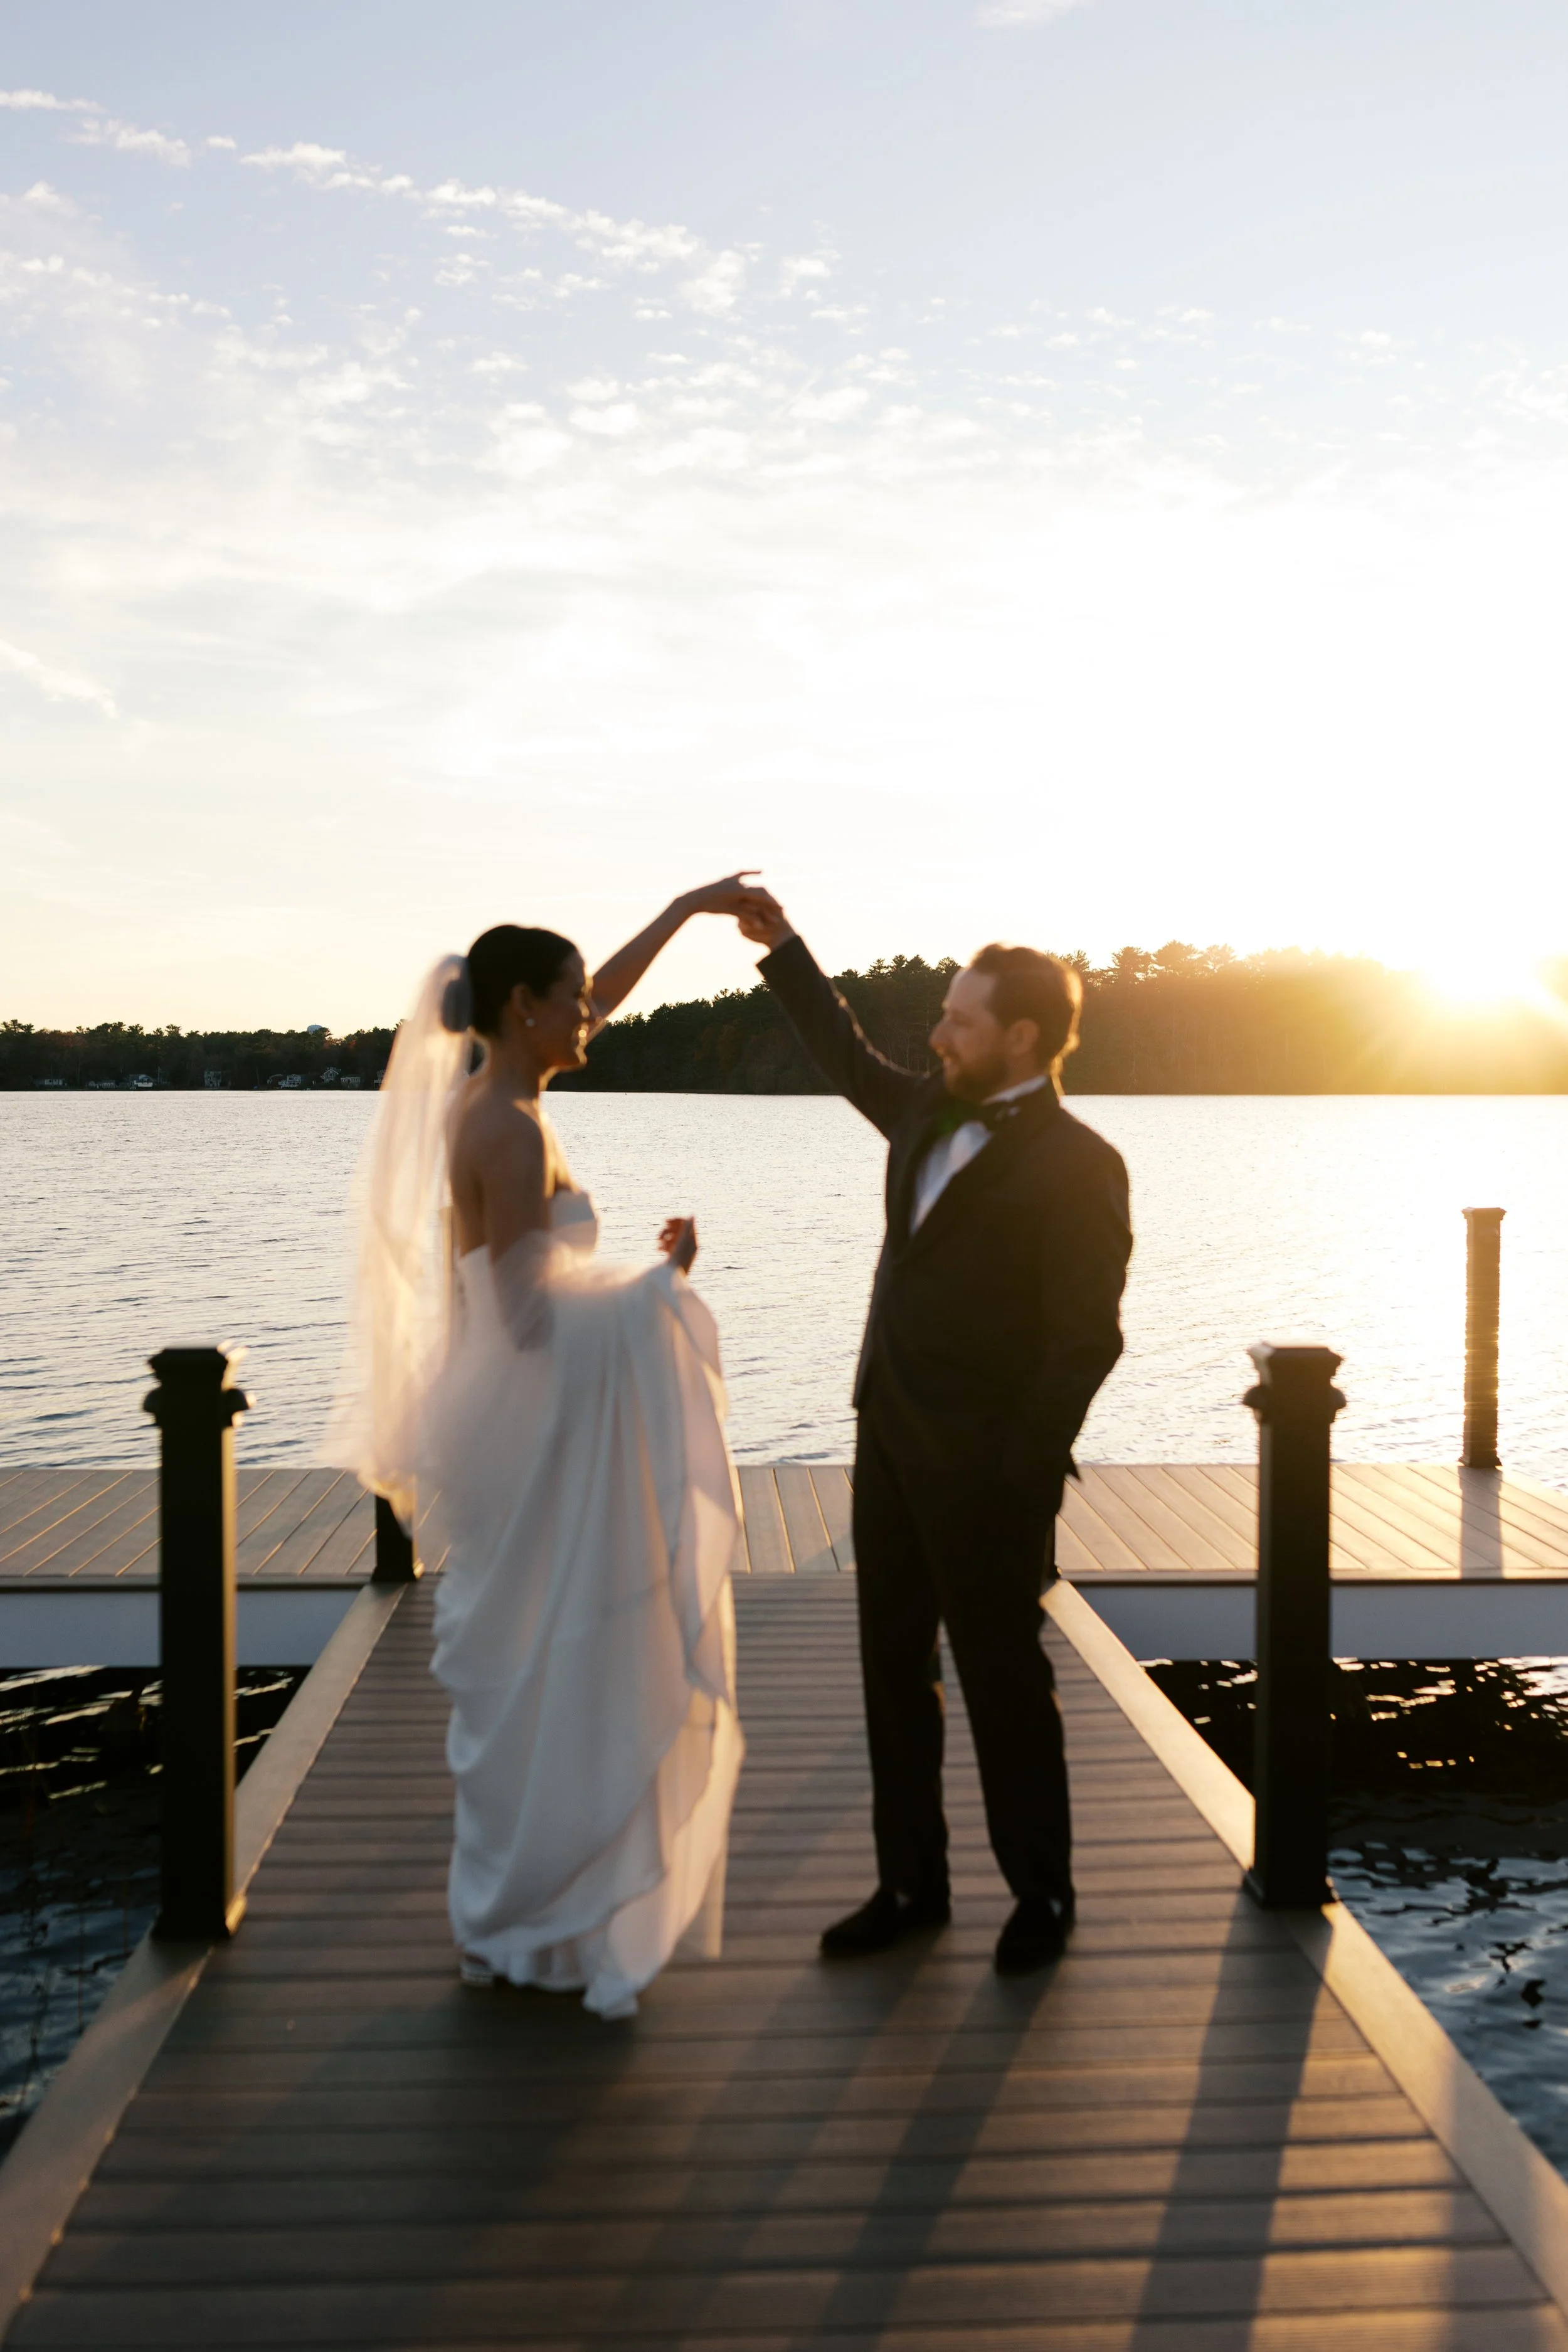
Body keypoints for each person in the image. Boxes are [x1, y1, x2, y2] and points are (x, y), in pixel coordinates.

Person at [326, 876, 768, 2018]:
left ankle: (521, 1923)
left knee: (533, 1670)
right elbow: (526, 1315)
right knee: (549, 1669)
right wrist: (659, 1284)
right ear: (523, 1007)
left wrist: (688, 908)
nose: (591, 1016)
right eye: (571, 1002)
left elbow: (607, 992)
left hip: (519, 1419)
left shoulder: (499, 1087)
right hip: (531, 1423)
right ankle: (532, 1919)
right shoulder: (509, 1129)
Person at [736, 892, 1131, 1975]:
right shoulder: (920, 1109)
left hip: (993, 1473)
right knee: (891, 1668)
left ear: (1020, 1037)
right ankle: (910, 1884)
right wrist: (783, 950)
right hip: (891, 1443)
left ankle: (1042, 1893)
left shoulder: (1082, 1163)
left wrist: (1021, 1473)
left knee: (1005, 1680)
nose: (937, 1032)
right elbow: (843, 1049)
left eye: (959, 1018)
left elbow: (1085, 1340)